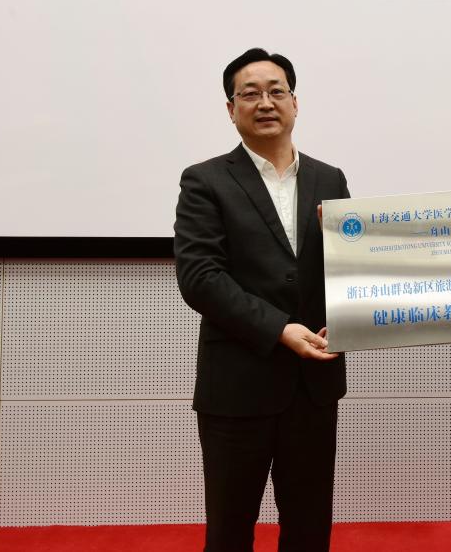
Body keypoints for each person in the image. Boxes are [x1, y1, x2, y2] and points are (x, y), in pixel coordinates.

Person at [174, 47, 349, 552]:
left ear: (295, 103)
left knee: (309, 528)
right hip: (238, 387)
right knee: (230, 530)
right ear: (231, 110)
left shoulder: (330, 179)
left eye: (277, 91)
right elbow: (201, 277)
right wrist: (279, 329)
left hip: (313, 384)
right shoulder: (205, 180)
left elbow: (351, 269)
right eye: (250, 94)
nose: (265, 102)